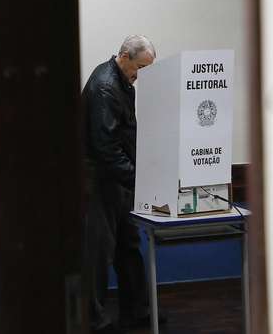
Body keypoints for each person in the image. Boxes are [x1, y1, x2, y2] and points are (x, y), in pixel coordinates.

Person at [83, 35, 159, 333]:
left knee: (128, 245)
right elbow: (106, 150)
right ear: (124, 56)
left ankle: (137, 310)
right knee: (98, 254)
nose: (139, 75)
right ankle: (93, 319)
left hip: (118, 179)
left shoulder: (121, 82)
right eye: (138, 67)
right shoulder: (106, 87)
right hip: (100, 182)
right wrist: (140, 179)